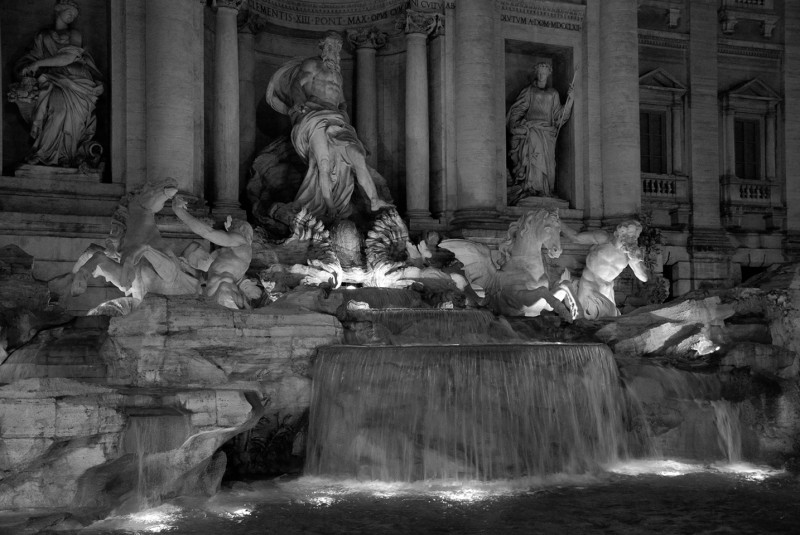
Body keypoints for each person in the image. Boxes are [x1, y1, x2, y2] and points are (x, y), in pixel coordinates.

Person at [266, 31, 391, 222]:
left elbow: (341, 102)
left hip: (337, 120)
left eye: (338, 48)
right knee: (323, 164)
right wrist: (299, 103)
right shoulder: (312, 64)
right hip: (314, 116)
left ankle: (374, 199)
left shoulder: (338, 74)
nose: (334, 51)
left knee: (357, 155)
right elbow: (297, 86)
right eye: (330, 46)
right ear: (322, 47)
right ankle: (330, 208)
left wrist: (345, 117)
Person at [10, 0, 104, 167]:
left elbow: (68, 57)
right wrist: (26, 67)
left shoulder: (75, 34)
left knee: (74, 119)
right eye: (69, 12)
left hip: (78, 80)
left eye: (74, 15)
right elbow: (32, 58)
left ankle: (67, 156)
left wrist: (38, 64)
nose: (72, 16)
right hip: (55, 80)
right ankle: (43, 153)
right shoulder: (43, 36)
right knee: (58, 111)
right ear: (58, 10)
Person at [172, 196, 258, 309]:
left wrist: (179, 211)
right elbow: (208, 275)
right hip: (215, 294)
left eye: (231, 229)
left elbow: (207, 232)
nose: (227, 232)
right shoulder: (233, 257)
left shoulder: (241, 241)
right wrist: (185, 266)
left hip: (225, 294)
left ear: (241, 230)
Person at [506, 62, 573, 199]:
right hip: (532, 129)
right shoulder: (529, 91)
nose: (542, 75)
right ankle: (532, 187)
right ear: (536, 73)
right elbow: (518, 109)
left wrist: (571, 100)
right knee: (535, 157)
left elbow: (559, 116)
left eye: (544, 73)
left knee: (548, 162)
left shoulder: (553, 93)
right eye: (540, 73)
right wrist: (515, 125)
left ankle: (545, 189)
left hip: (548, 132)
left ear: (548, 74)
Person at [560, 220, 649, 320]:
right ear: (619, 234)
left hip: (606, 290)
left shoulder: (630, 254)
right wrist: (558, 223)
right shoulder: (604, 238)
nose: (632, 240)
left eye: (634, 237)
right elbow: (576, 238)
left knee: (608, 322)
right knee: (585, 320)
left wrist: (636, 261)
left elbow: (644, 278)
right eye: (629, 236)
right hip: (589, 285)